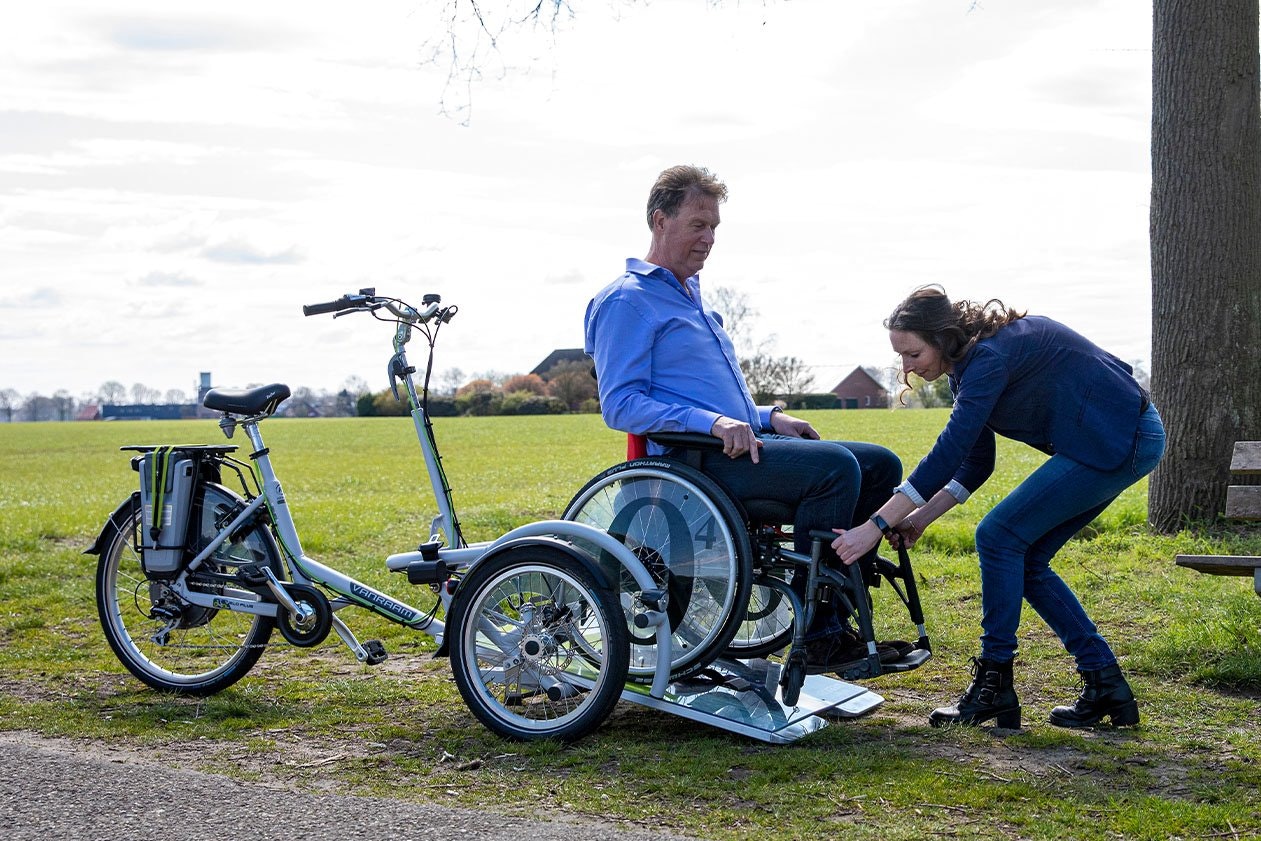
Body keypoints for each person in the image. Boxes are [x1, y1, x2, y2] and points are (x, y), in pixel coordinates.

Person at [584, 164, 904, 673]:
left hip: (738, 443)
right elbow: (621, 405)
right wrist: (711, 424)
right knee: (835, 468)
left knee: (881, 465)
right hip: (692, 464)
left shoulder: (691, 300)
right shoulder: (628, 300)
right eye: (698, 225)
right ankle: (821, 636)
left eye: (714, 227)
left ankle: (842, 611)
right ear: (659, 220)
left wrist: (768, 416)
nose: (709, 239)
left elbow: (717, 399)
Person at [832, 285, 1165, 729]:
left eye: (912, 354)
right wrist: (920, 519)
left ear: (941, 336)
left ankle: (994, 685)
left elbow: (946, 454)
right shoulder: (968, 368)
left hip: (1119, 439)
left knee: (998, 536)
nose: (906, 367)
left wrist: (875, 525)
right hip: (1114, 440)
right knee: (1024, 558)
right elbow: (975, 461)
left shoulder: (988, 360)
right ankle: (1105, 683)